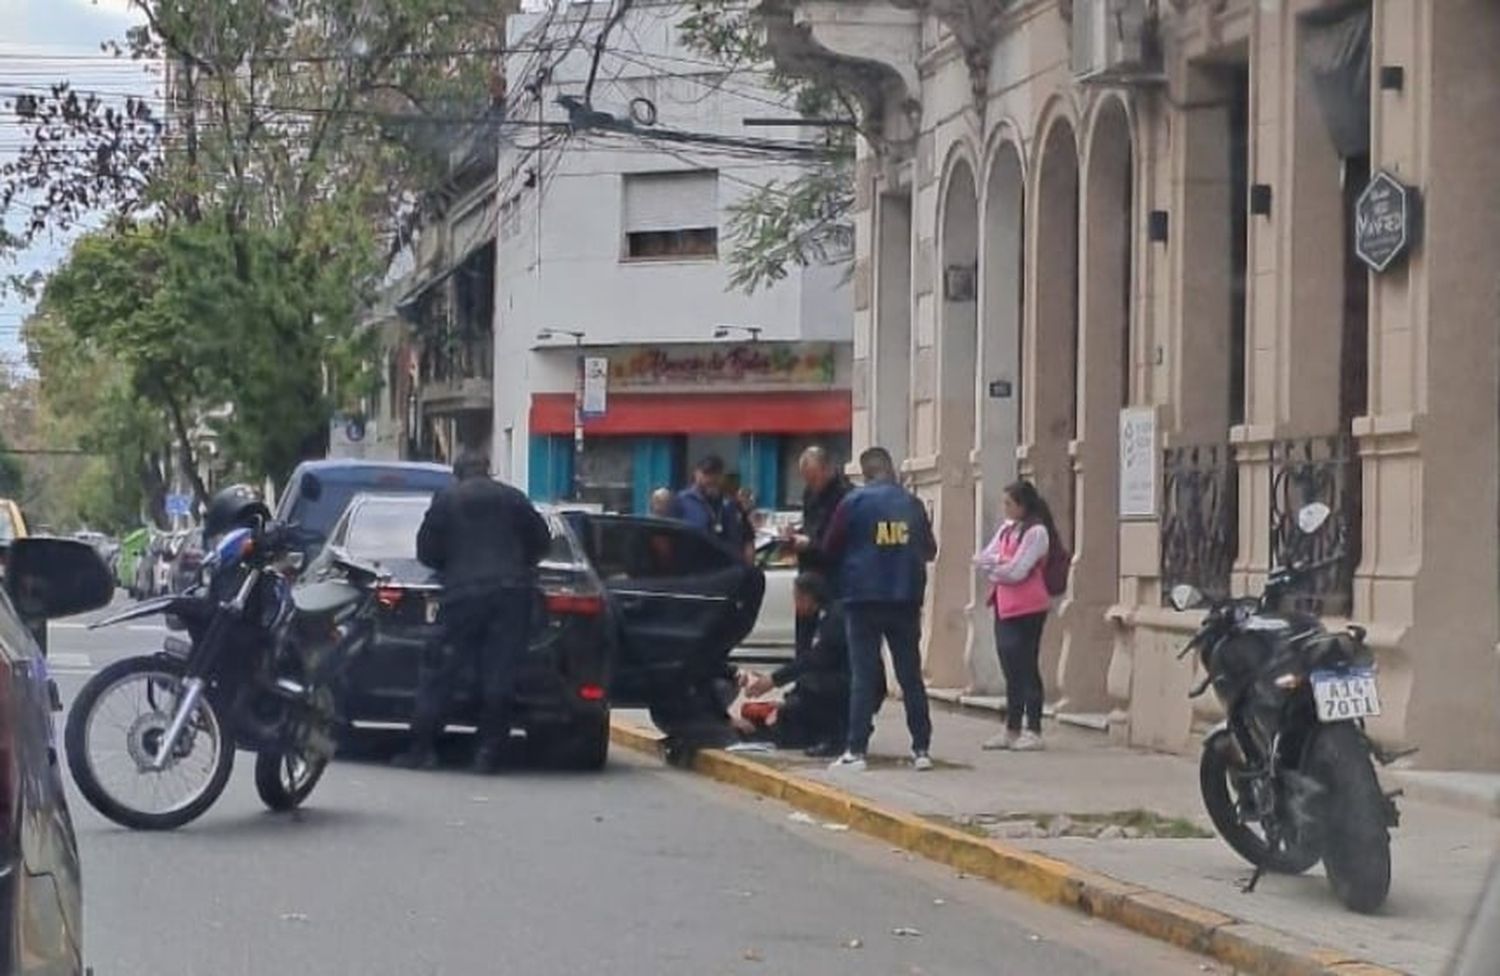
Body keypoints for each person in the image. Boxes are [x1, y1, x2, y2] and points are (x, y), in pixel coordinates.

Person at [395, 449, 552, 773]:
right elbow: (541, 541)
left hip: (463, 593)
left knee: (440, 668)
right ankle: (488, 752)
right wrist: (518, 565)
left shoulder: (446, 500)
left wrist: (453, 567)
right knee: (500, 672)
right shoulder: (514, 498)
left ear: (458, 473)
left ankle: (423, 748)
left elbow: (426, 550)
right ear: (488, 470)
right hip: (511, 593)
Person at [822, 447, 937, 772]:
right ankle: (922, 748)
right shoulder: (912, 503)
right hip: (904, 597)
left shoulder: (853, 503)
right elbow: (930, 548)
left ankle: (856, 750)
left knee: (863, 674)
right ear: (891, 469)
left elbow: (831, 545)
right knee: (910, 676)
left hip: (862, 598)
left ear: (865, 472)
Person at [741, 572, 877, 757]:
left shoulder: (835, 618)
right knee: (800, 698)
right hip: (849, 680)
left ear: (808, 597)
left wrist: (773, 680)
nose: (795, 604)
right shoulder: (824, 616)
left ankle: (837, 738)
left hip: (860, 684)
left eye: (797, 598)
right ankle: (839, 729)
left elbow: (816, 659)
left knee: (811, 687)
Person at [975, 480, 1059, 752]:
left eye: (1009, 504)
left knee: (1026, 664)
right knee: (1009, 664)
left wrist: (996, 567)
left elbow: (1017, 570)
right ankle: (1011, 726)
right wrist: (997, 566)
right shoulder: (1007, 530)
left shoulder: (1037, 533)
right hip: (1004, 603)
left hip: (1029, 607)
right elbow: (983, 558)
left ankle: (1033, 728)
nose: (1005, 509)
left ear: (1023, 505)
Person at [787, 445, 851, 653]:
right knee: (804, 628)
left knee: (836, 629)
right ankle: (803, 678)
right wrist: (794, 535)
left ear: (827, 469)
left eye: (813, 478)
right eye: (806, 479)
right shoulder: (810, 493)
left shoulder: (845, 494)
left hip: (833, 570)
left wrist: (811, 543)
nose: (810, 484)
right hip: (809, 567)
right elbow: (811, 524)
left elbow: (841, 537)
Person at [673, 455, 748, 559]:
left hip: (725, 565)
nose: (711, 479)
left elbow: (745, 537)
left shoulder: (729, 504)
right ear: (696, 474)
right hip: (694, 565)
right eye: (706, 474)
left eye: (716, 474)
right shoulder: (682, 501)